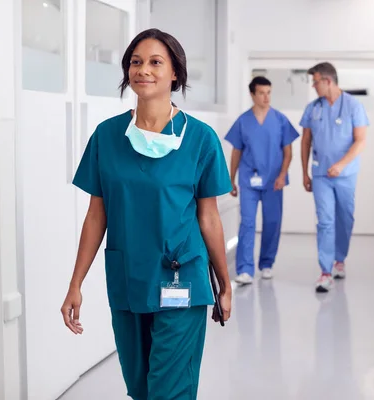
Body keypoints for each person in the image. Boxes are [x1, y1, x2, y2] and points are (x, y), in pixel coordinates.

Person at [60, 28, 233, 399]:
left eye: (156, 62)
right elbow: (96, 215)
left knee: (169, 390)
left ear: (175, 73)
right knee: (140, 388)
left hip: (182, 280)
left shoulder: (200, 139)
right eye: (136, 62)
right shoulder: (107, 136)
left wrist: (224, 283)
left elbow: (210, 218)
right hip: (128, 279)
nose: (143, 70)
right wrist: (75, 283)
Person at [299, 62, 369, 293]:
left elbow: (360, 140)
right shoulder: (313, 108)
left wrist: (341, 164)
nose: (313, 85)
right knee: (325, 221)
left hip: (346, 173)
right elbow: (306, 141)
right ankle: (325, 271)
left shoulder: (353, 106)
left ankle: (340, 259)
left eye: (315, 81)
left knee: (345, 218)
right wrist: (304, 172)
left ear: (328, 81)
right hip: (321, 175)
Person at [225, 76, 299, 285]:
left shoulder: (280, 120)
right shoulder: (243, 121)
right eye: (262, 93)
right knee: (247, 223)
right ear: (252, 94)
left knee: (272, 223)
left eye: (269, 92)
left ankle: (266, 263)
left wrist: (283, 175)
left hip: (274, 181)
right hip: (249, 180)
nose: (266, 97)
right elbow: (236, 153)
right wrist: (231, 180)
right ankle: (245, 269)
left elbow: (288, 152)